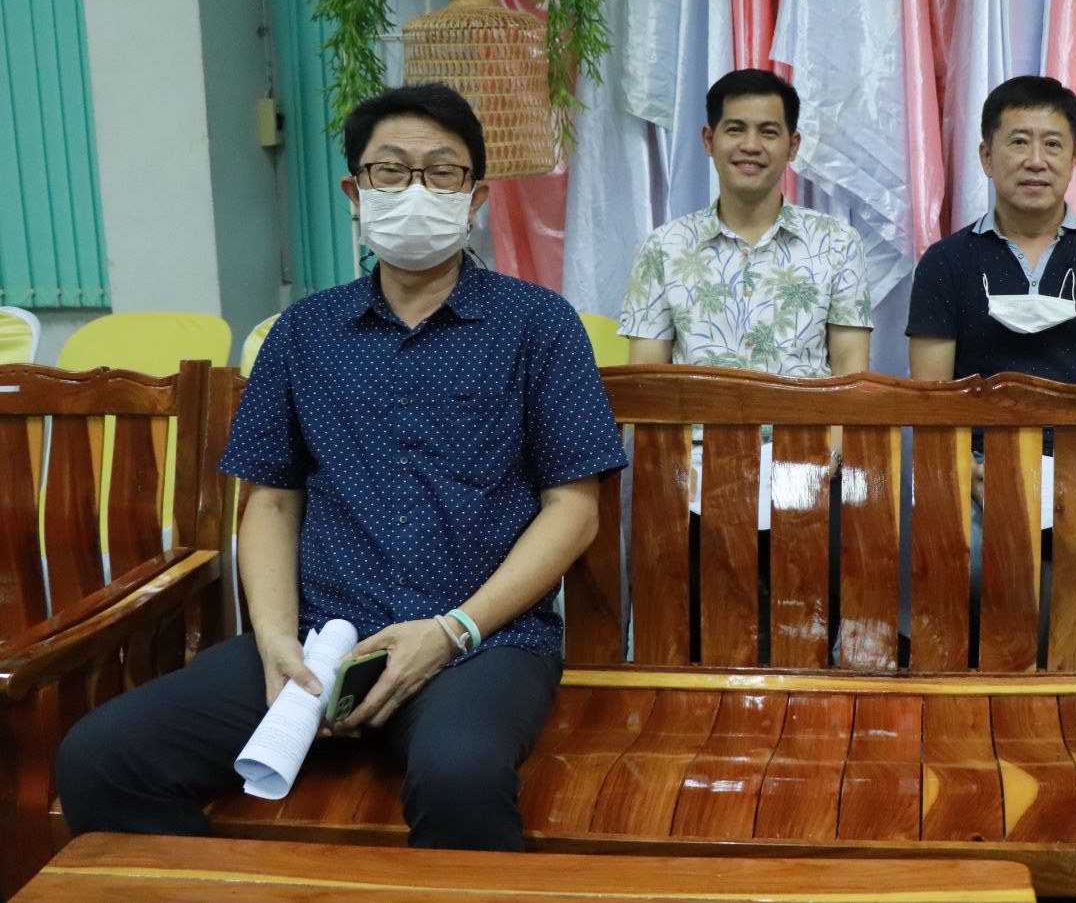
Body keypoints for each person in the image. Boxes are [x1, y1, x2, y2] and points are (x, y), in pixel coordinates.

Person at [57, 83, 628, 852]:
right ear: (355, 193)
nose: (415, 189)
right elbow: (270, 500)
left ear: (476, 196)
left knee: (460, 775)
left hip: (479, 642)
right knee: (102, 756)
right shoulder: (303, 333)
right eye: (390, 170)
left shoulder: (537, 325)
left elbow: (574, 507)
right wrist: (273, 642)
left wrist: (452, 631)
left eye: (441, 171)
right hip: (316, 641)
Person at [905, 75, 1076, 624]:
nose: (1036, 160)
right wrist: (965, 470)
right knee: (964, 561)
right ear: (987, 156)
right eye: (1018, 142)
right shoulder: (946, 262)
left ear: (1073, 158)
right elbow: (930, 401)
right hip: (983, 470)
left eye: (1053, 144)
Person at [620, 68, 872, 378]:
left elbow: (850, 381)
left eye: (768, 132)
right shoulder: (663, 248)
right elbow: (646, 386)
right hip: (698, 413)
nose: (751, 145)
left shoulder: (838, 243)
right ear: (709, 140)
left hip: (804, 413)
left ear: (792, 146)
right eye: (735, 129)